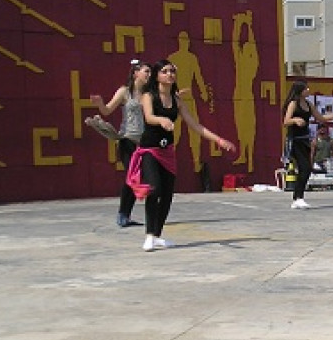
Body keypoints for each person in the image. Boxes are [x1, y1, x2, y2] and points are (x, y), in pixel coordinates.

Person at [127, 59, 235, 251]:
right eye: (165, 71)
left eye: (172, 71)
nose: (170, 74)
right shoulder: (148, 95)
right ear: (157, 75)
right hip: (150, 150)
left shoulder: (177, 100)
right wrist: (162, 120)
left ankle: (158, 235)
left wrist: (219, 140)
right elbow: (149, 117)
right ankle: (149, 235)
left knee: (167, 195)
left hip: (167, 152)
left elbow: (196, 125)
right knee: (154, 188)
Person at [89, 59, 149, 227]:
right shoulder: (124, 92)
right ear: (136, 73)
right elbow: (107, 110)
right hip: (127, 140)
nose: (149, 75)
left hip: (143, 142)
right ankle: (123, 214)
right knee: (132, 176)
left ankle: (126, 216)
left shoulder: (148, 94)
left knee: (137, 177)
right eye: (146, 71)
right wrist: (100, 103)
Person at [282, 81, 333, 209]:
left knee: (305, 168)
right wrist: (295, 120)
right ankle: (298, 198)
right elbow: (286, 121)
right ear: (300, 91)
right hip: (295, 140)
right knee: (305, 167)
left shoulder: (309, 104)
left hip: (305, 140)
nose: (308, 89)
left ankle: (297, 198)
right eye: (306, 88)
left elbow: (321, 118)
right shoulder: (293, 104)